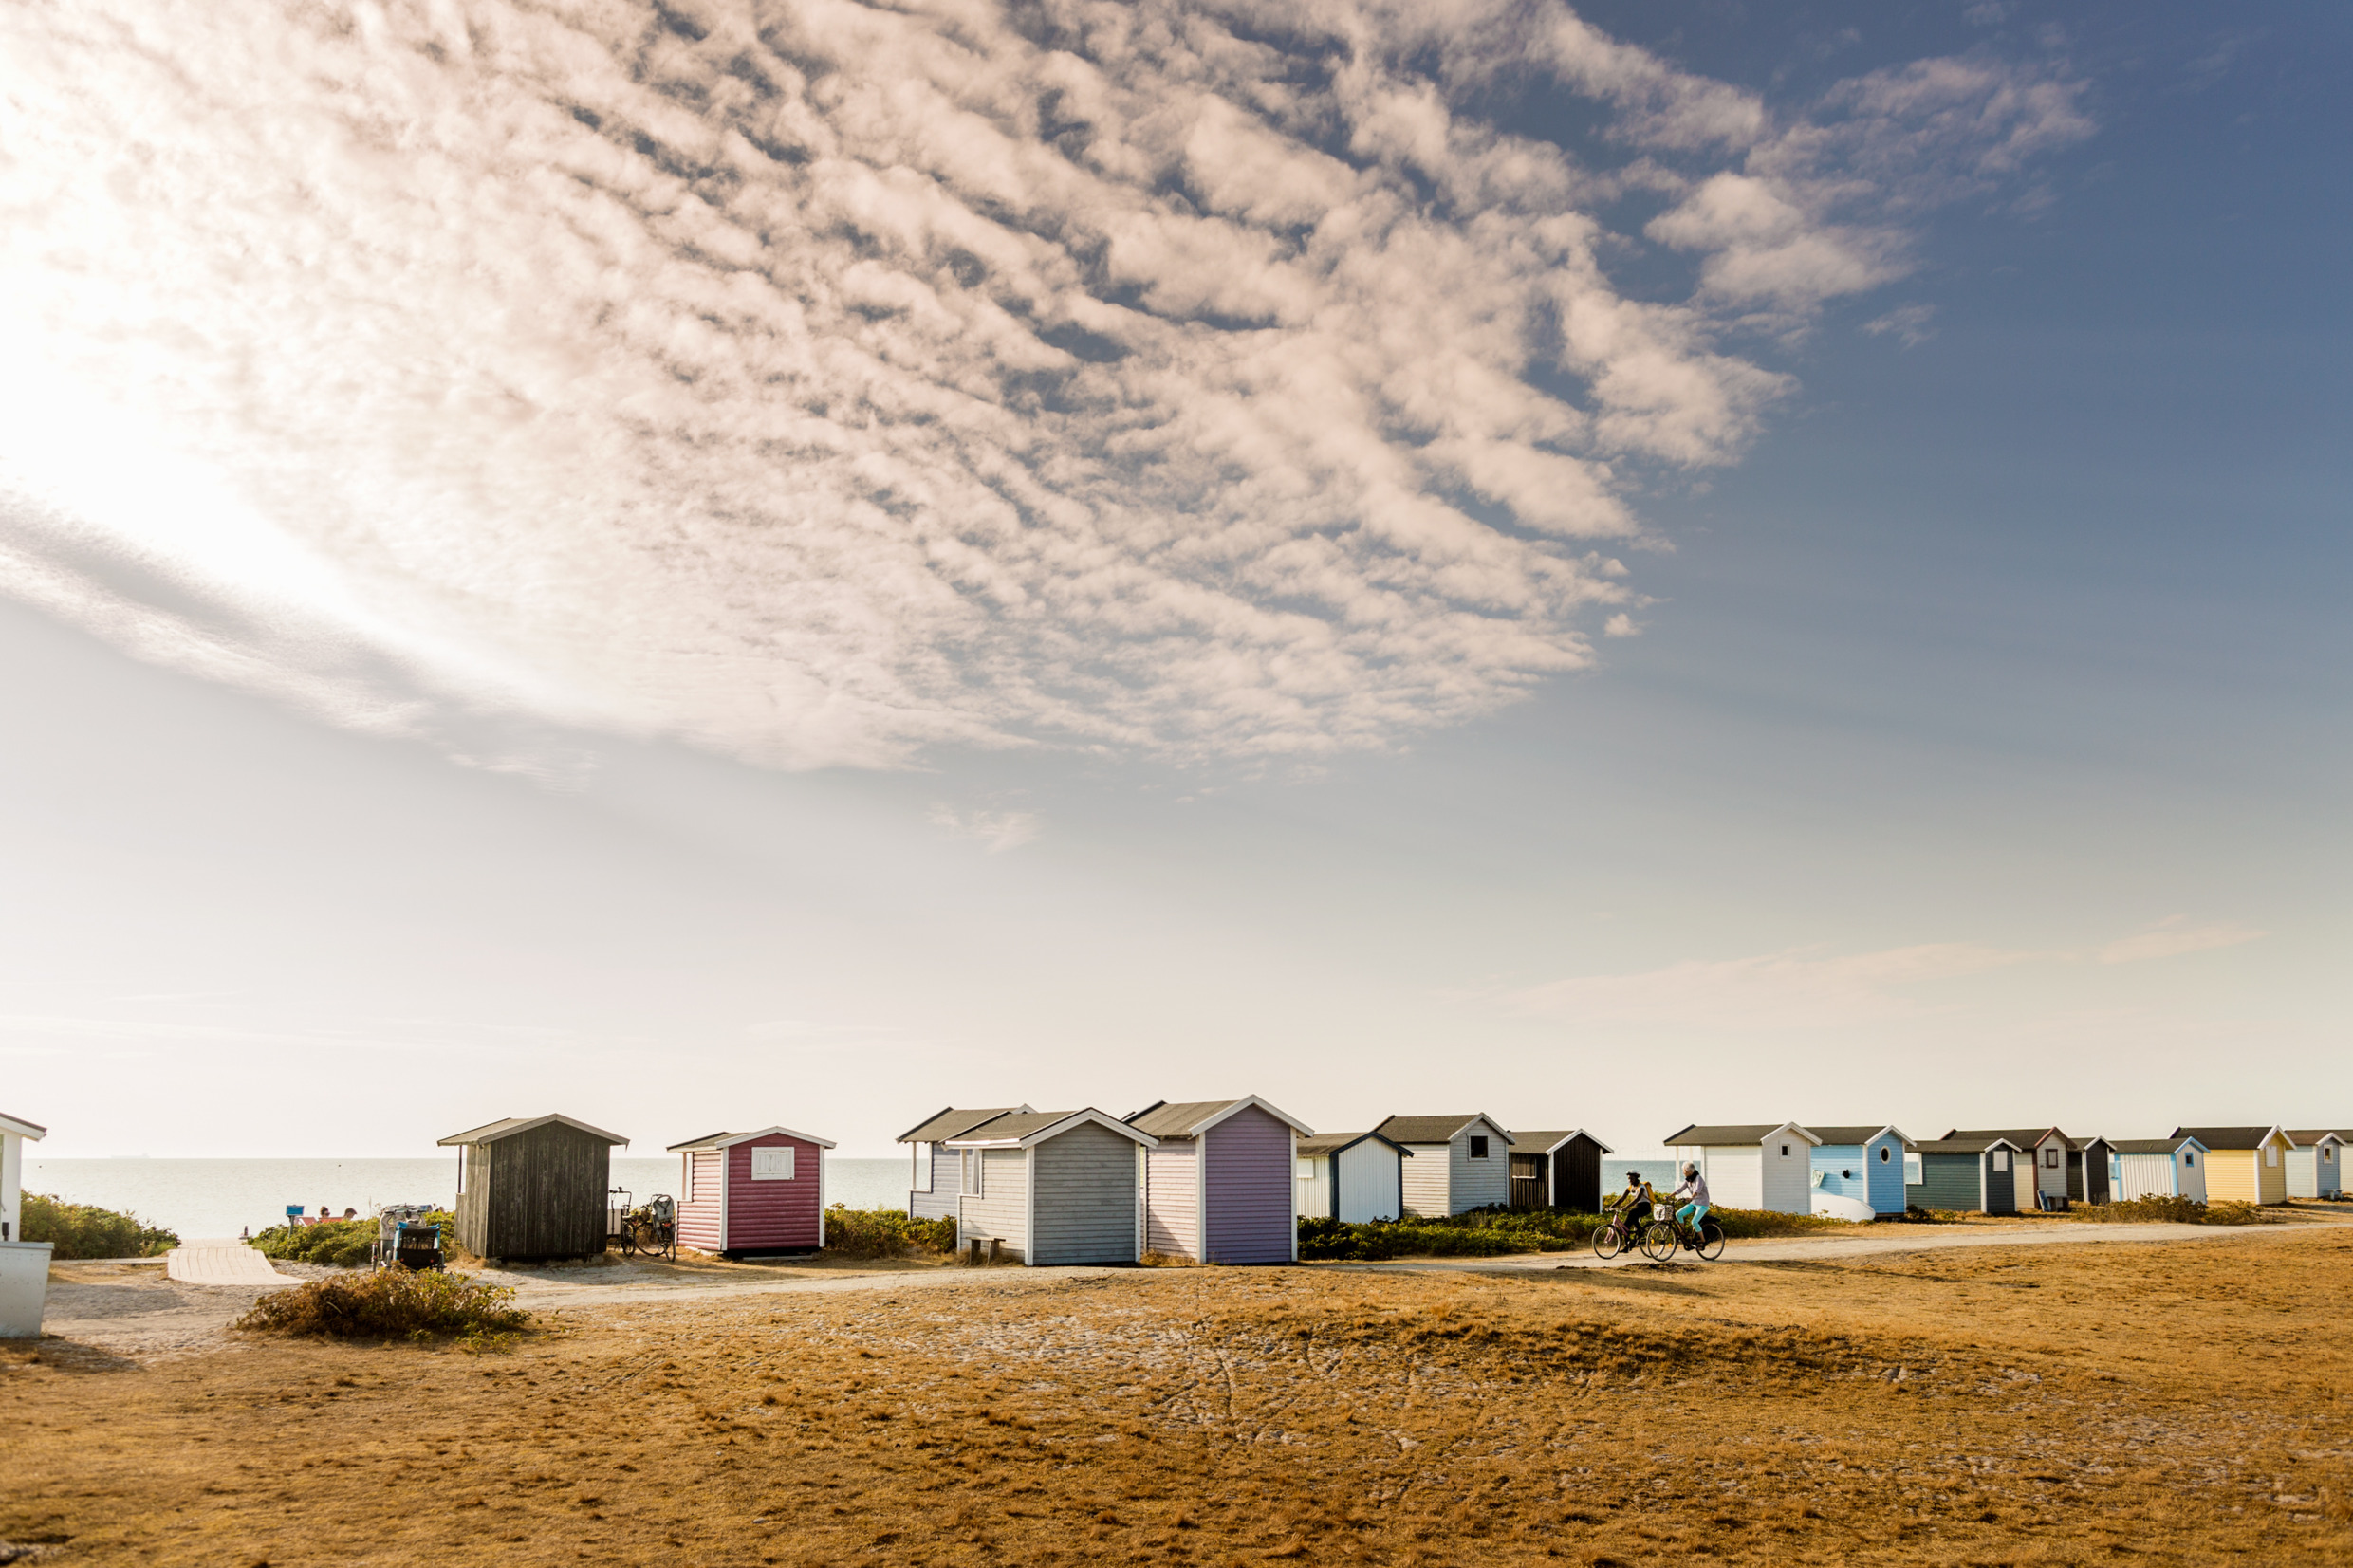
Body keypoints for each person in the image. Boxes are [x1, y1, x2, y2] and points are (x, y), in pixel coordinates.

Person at [1670, 1163, 1712, 1248]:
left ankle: (1703, 1241)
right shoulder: (1688, 1180)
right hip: (1694, 1203)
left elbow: (1697, 1191)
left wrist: (1690, 1198)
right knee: (1678, 1214)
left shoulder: (1698, 1179)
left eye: (1684, 1171)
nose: (1683, 1172)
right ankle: (1682, 1234)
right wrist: (1669, 1196)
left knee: (1694, 1222)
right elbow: (1680, 1189)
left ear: (1690, 1171)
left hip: (1703, 1204)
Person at [1607, 1171, 1655, 1235]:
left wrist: (1626, 1207)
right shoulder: (1630, 1187)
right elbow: (1622, 1199)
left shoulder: (1642, 1187)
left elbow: (1637, 1199)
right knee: (1625, 1226)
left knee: (1631, 1213)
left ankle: (1640, 1230)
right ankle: (1629, 1244)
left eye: (1632, 1178)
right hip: (1638, 1206)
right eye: (1629, 1178)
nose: (1630, 1180)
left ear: (1636, 1178)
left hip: (1645, 1206)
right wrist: (1611, 1206)